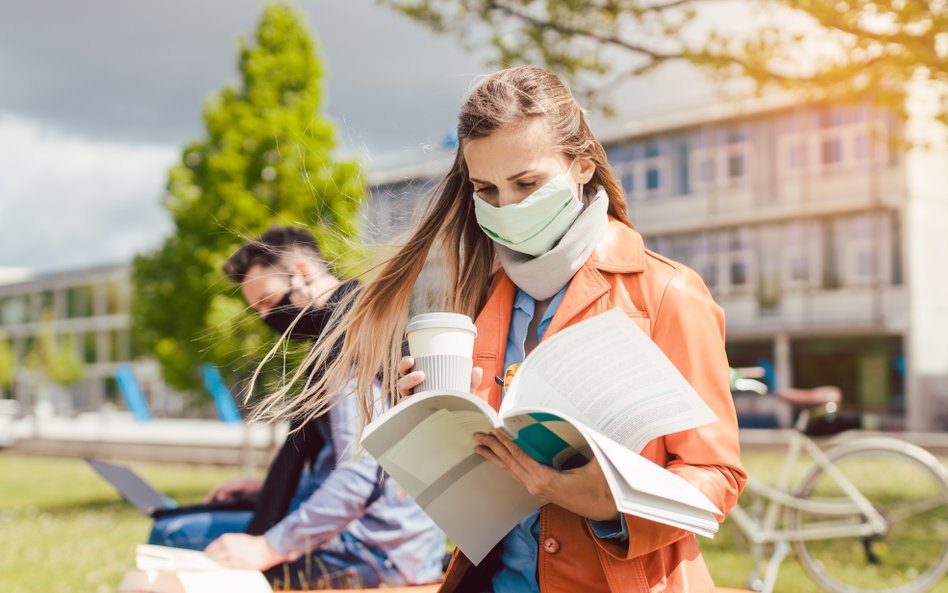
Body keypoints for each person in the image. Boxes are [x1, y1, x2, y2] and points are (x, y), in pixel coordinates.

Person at [257, 67, 747, 593]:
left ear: (581, 166)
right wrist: (429, 430)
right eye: (485, 189)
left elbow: (717, 475)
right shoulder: (481, 296)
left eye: (527, 183)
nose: (506, 207)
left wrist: (610, 504)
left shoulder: (668, 293)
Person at [203, 225, 444, 589]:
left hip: (376, 551)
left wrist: (268, 547)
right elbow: (358, 463)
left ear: (301, 272)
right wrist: (263, 487)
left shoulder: (347, 343)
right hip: (399, 542)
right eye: (257, 309)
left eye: (268, 301)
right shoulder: (365, 322)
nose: (267, 318)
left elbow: (358, 478)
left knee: (175, 535)